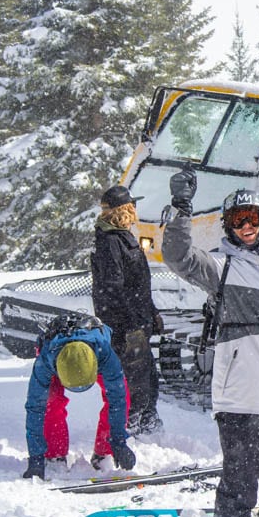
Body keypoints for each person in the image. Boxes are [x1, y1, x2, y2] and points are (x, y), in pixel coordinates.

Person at [163, 170, 259, 517]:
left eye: (253, 218)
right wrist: (181, 209)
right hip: (239, 395)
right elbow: (178, 257)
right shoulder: (222, 267)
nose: (246, 226)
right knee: (239, 475)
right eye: (237, 220)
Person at [22, 313, 136, 479]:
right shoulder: (45, 361)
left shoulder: (104, 353)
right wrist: (36, 457)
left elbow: (117, 401)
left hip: (92, 353)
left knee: (122, 396)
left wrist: (118, 441)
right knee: (49, 403)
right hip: (56, 356)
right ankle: (53, 455)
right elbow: (35, 409)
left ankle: (105, 453)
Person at [91, 185, 163, 436]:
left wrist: (150, 313)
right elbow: (114, 288)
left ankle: (146, 423)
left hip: (136, 321)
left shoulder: (122, 238)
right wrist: (131, 323)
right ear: (126, 210)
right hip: (125, 326)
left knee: (147, 377)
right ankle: (131, 428)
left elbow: (138, 285)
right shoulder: (110, 242)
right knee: (135, 381)